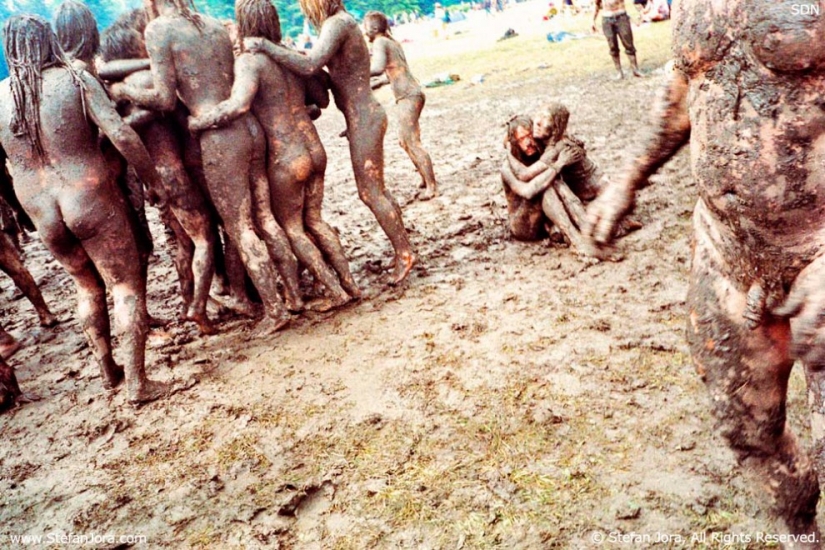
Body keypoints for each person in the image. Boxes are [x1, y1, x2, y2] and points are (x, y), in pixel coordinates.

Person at [585, 0, 825, 541]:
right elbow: (688, 80)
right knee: (748, 431)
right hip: (726, 253)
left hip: (819, 249)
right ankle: (802, 535)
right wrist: (628, 177)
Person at [0, 15, 168, 403]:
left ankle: (108, 371)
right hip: (89, 198)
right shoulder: (74, 80)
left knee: (86, 286)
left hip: (42, 209)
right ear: (48, 41)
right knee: (125, 286)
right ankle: (138, 384)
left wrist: (18, 214)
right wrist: (152, 180)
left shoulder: (2, 97)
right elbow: (121, 133)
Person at [111, 0, 303, 331]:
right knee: (265, 217)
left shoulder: (159, 29)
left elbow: (164, 99)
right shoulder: (213, 25)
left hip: (217, 135)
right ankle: (294, 296)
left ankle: (275, 311)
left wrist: (124, 89)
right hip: (249, 127)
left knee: (240, 228)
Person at [189, 0, 359, 311]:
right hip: (314, 148)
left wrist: (201, 121)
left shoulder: (251, 61)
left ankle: (335, 292)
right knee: (315, 220)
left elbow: (238, 105)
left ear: (245, 24)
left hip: (287, 158)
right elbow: (319, 99)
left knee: (292, 228)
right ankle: (350, 283)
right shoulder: (290, 56)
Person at [244, 0, 416, 285]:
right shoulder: (342, 22)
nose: (304, 11)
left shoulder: (337, 23)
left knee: (370, 193)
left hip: (364, 118)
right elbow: (326, 75)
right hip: (362, 117)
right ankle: (404, 248)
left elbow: (311, 65)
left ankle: (405, 253)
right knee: (377, 190)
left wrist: (265, 46)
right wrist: (287, 52)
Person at [100, 18, 221, 335]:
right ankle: (198, 308)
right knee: (204, 239)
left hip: (152, 179)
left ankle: (187, 301)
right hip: (175, 174)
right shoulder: (150, 81)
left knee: (181, 242)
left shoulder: (116, 95)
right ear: (136, 47)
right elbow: (184, 123)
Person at [507, 103, 641, 241]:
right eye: (539, 115)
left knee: (588, 217)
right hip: (593, 191)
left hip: (601, 194)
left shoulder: (558, 148)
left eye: (545, 118)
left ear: (555, 128)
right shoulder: (555, 140)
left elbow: (525, 174)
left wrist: (508, 153)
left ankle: (617, 227)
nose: (538, 122)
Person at [500, 116, 605, 259]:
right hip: (524, 226)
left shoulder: (541, 154)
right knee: (546, 186)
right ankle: (576, 241)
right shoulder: (507, 167)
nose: (527, 143)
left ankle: (586, 230)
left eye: (529, 136)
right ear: (514, 143)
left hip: (542, 219)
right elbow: (528, 192)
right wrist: (557, 165)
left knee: (555, 181)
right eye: (521, 139)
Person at [365, 11, 438, 201]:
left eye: (365, 27)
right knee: (404, 140)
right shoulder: (391, 42)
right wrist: (372, 84)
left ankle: (431, 186)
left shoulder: (380, 42)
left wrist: (357, 71)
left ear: (373, 28)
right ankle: (425, 178)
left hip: (408, 96)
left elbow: (378, 68)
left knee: (411, 141)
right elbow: (391, 73)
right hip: (411, 94)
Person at [591, 0, 642, 79]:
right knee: (612, 46)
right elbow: (596, 4)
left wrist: (639, 14)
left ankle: (635, 69)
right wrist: (592, 21)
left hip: (621, 16)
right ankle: (619, 72)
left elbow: (635, 3)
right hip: (607, 19)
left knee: (628, 43)